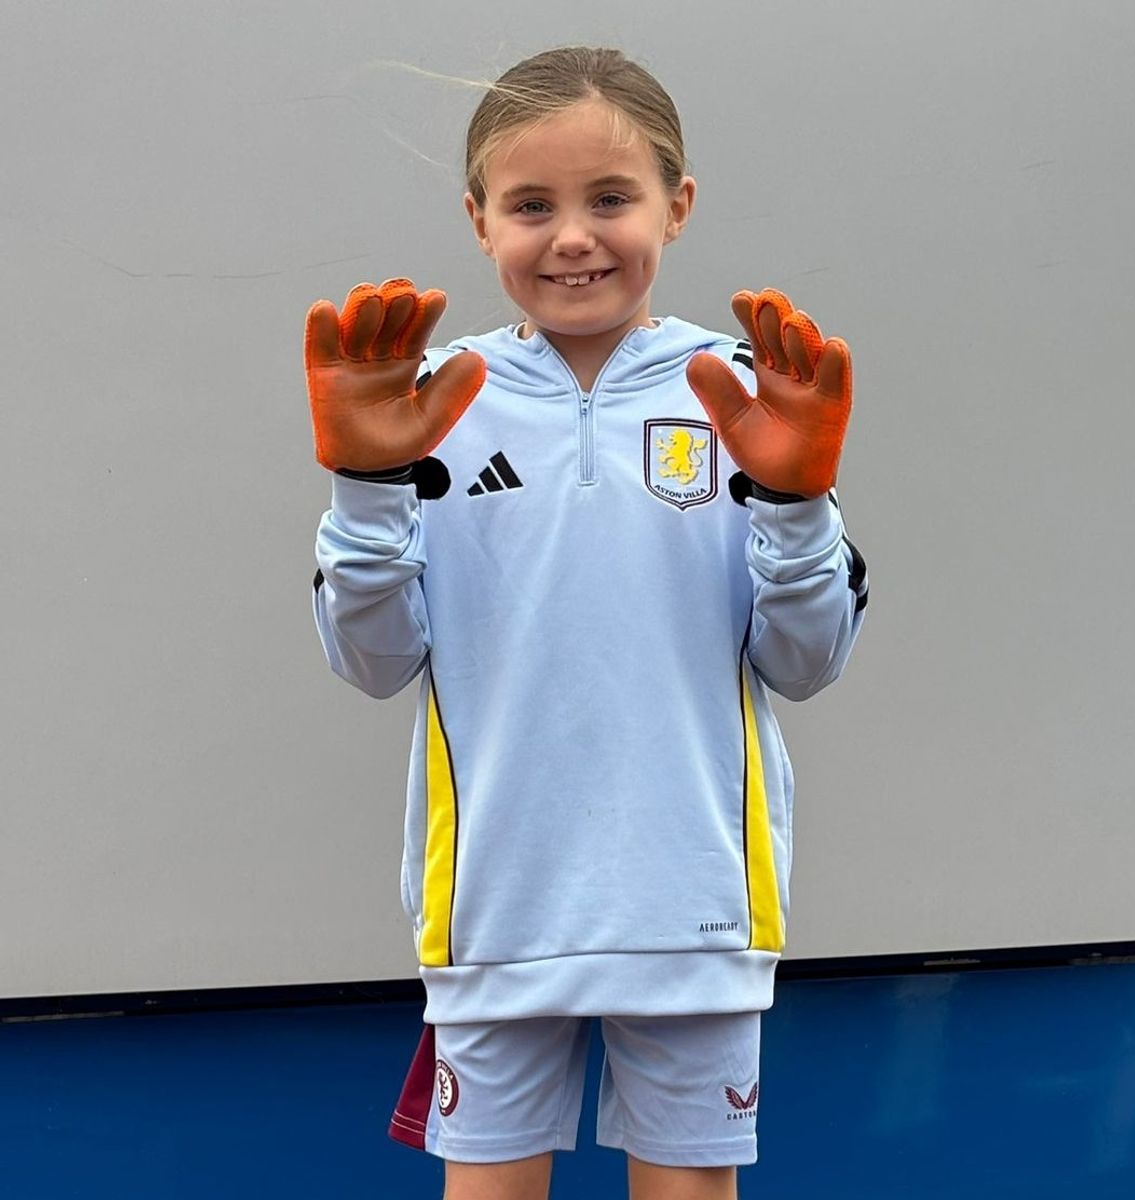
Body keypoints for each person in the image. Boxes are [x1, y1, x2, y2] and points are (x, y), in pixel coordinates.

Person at [307, 45, 867, 1200]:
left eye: (612, 198)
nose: (573, 237)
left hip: (693, 900)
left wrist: (797, 505)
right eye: (531, 205)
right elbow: (372, 662)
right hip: (497, 904)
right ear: (478, 220)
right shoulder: (427, 397)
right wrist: (365, 489)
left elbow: (804, 662)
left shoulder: (747, 388)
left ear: (679, 203)